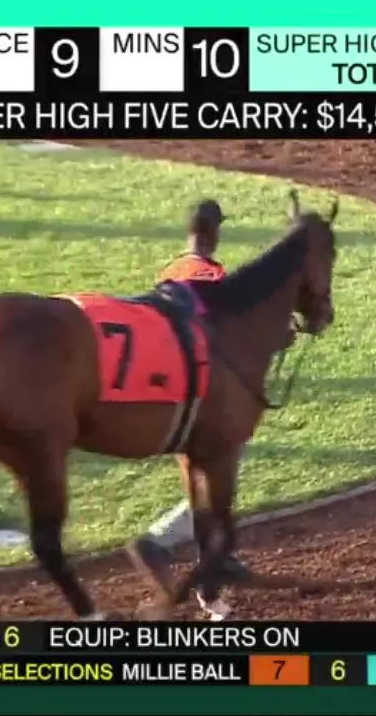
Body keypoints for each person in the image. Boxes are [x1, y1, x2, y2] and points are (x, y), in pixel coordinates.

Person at [127, 198, 252, 582]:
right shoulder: (212, 275)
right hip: (202, 393)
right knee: (222, 471)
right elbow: (226, 337)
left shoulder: (171, 270)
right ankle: (161, 541)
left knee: (208, 476)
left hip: (170, 387)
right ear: (216, 232)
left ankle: (212, 555)